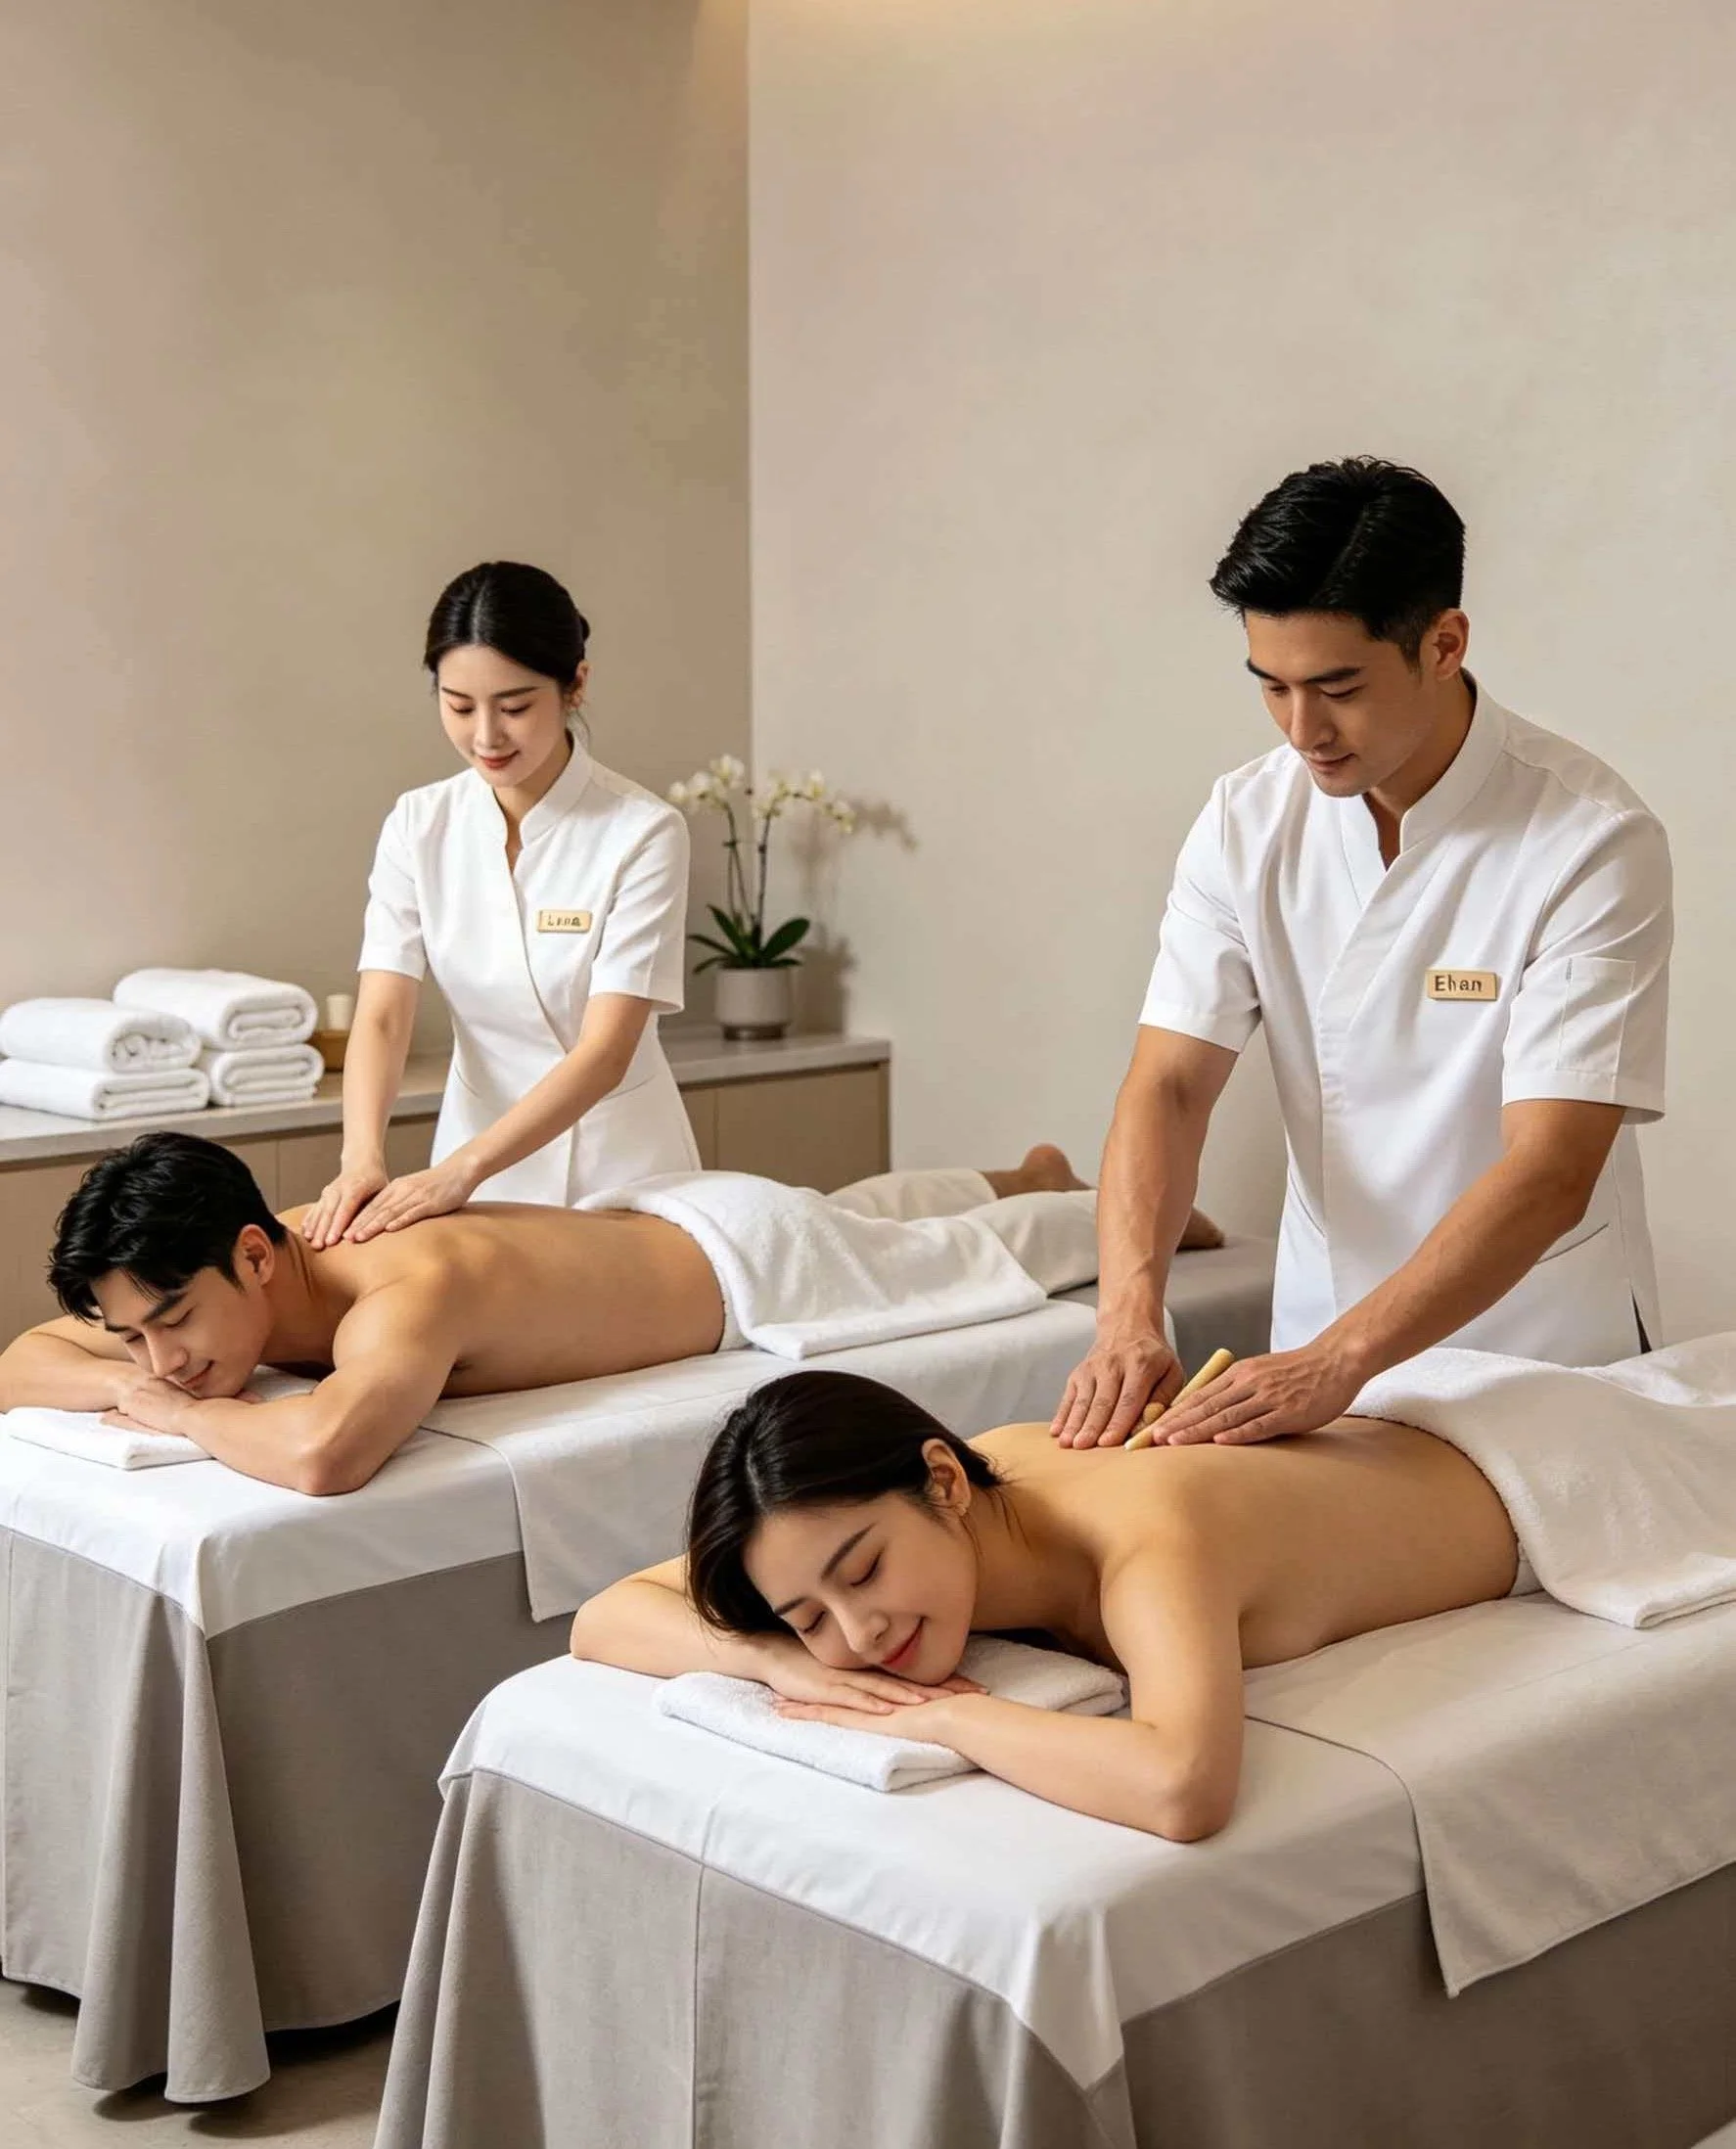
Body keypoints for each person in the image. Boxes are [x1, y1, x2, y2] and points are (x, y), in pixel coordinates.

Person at [1056, 458, 1671, 1451]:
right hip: (1320, 1327)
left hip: (1534, 1343)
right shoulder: (1246, 822)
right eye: (1272, 687)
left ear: (1444, 644)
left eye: (1337, 687)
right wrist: (1129, 1315)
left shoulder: (1588, 839)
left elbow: (1553, 1167)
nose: (1304, 730)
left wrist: (1340, 1360)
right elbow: (1168, 1085)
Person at [568, 1368, 1521, 1841]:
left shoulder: (1145, 1539)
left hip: (1521, 1471)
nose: (858, 1633)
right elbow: (606, 1615)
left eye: (863, 1574)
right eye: (807, 1614)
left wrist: (944, 1717)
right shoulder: (874, 1523)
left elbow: (1182, 1789)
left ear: (944, 1481)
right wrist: (781, 1660)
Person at [0, 1132, 1219, 1496]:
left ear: (256, 1256)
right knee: (861, 1208)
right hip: (668, 1214)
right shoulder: (233, 1268)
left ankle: (1086, 1204)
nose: (163, 1356)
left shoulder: (402, 1295)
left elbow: (324, 1455)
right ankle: (1015, 1166)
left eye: (173, 1320)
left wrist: (173, 1411)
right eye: (133, 1333)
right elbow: (19, 1362)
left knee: (959, 1260)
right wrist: (131, 1375)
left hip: (750, 1267)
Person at [303, 562, 699, 1249]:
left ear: (575, 685)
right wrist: (360, 1158)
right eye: (459, 706)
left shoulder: (642, 832)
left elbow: (605, 1051)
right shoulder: (419, 824)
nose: (486, 736)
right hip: (469, 1166)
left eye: (514, 707)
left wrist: (461, 1171)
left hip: (619, 1167)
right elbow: (385, 1013)